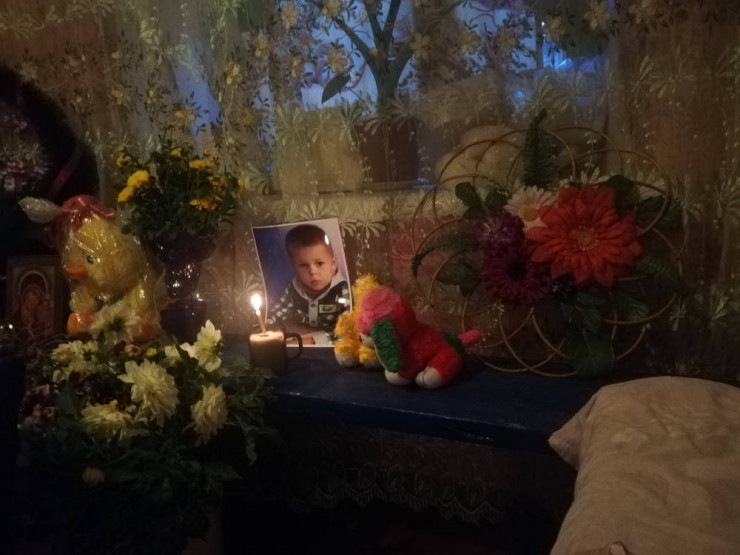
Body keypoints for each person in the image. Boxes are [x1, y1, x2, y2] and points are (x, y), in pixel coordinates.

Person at [269, 224, 350, 332]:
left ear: (333, 264)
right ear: (294, 267)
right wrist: (267, 324)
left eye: (319, 263)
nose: (312, 272)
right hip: (303, 334)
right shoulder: (294, 288)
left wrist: (315, 340)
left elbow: (348, 328)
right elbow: (278, 311)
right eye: (304, 265)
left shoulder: (342, 289)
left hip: (332, 338)